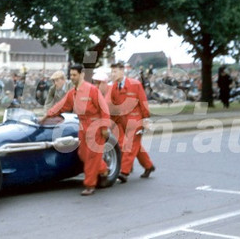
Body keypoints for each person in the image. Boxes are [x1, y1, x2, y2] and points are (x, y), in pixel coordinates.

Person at [41, 64, 110, 196]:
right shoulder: (72, 93)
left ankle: (90, 185)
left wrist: (104, 128)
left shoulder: (92, 90)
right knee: (82, 154)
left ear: (81, 75)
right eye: (71, 75)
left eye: (74, 75)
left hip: (95, 126)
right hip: (83, 126)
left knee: (91, 156)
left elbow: (104, 109)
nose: (72, 77)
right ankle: (103, 169)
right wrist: (47, 115)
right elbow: (61, 105)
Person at [109, 62, 155, 183]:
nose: (112, 74)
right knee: (136, 146)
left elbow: (143, 101)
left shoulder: (135, 84)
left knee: (129, 146)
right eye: (112, 72)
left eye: (115, 71)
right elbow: (113, 106)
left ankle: (124, 172)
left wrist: (146, 119)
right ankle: (149, 166)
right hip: (122, 121)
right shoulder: (114, 87)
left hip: (135, 120)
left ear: (122, 71)